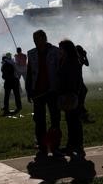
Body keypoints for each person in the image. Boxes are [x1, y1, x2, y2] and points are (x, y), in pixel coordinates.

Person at [27, 29, 62, 159]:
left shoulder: (55, 51)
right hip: (37, 92)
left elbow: (59, 70)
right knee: (39, 121)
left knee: (55, 119)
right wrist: (29, 90)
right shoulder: (31, 54)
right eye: (34, 40)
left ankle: (55, 147)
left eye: (38, 39)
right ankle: (42, 147)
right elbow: (29, 73)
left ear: (44, 38)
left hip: (52, 91)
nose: (36, 42)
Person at [58, 39, 85, 160]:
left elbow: (72, 80)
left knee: (73, 121)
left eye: (61, 49)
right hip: (71, 93)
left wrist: (69, 93)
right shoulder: (69, 60)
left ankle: (76, 145)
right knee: (71, 121)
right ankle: (73, 144)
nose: (60, 51)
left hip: (71, 93)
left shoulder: (71, 62)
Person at [75, 45, 91, 122]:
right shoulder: (78, 58)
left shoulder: (79, 57)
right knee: (82, 92)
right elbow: (86, 63)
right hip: (78, 79)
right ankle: (81, 109)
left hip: (79, 79)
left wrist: (85, 56)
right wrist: (84, 56)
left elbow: (87, 64)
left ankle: (81, 107)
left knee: (83, 91)